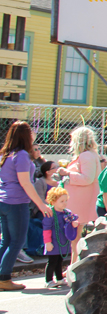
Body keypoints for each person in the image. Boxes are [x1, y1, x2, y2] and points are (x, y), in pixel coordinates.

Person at [0, 121, 52, 291]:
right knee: (17, 241)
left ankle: (3, 275)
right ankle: (4, 278)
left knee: (7, 240)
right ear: (26, 135)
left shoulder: (6, 154)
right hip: (16, 203)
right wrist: (41, 205)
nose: (33, 135)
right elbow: (25, 183)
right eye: (31, 132)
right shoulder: (21, 155)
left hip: (5, 201)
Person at [56, 126, 101, 250]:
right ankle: (72, 262)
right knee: (75, 237)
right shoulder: (88, 155)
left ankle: (73, 263)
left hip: (80, 203)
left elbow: (87, 178)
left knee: (75, 238)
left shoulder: (86, 156)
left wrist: (67, 173)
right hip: (79, 201)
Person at [42, 187, 78, 289]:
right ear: (53, 201)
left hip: (62, 242)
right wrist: (48, 242)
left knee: (59, 260)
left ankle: (59, 278)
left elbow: (71, 221)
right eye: (62, 201)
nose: (65, 203)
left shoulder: (66, 212)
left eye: (66, 200)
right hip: (53, 242)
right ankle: (48, 280)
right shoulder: (50, 213)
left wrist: (74, 223)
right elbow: (46, 229)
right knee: (52, 261)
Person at [25, 160, 59, 257]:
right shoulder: (40, 183)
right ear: (47, 172)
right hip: (44, 210)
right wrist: (52, 209)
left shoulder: (60, 182)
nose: (58, 169)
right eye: (55, 167)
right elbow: (40, 199)